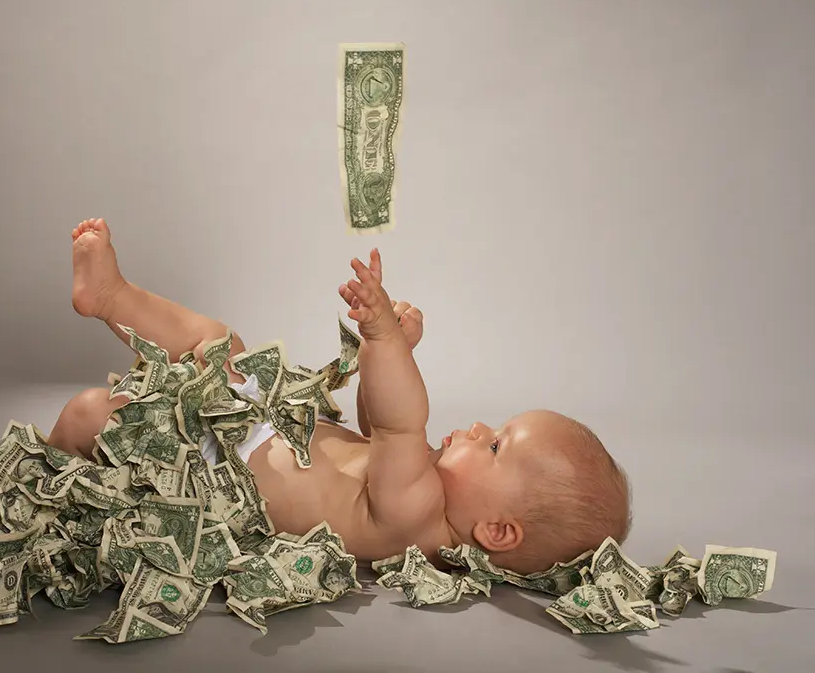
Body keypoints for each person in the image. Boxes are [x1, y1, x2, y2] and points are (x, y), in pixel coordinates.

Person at [47, 218, 632, 574]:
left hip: (218, 470)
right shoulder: (422, 487)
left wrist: (381, 339)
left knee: (94, 415)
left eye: (497, 447)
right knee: (221, 346)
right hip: (267, 422)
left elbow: (401, 424)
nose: (479, 428)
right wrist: (394, 352)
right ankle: (111, 295)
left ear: (497, 531)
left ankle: (57, 473)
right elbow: (379, 427)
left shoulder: (418, 520)